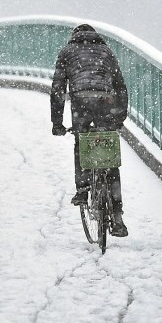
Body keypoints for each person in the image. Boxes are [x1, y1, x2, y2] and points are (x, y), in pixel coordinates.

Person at [50, 23, 129, 237]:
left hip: (81, 103)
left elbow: (57, 89)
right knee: (109, 156)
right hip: (106, 102)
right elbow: (120, 86)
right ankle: (118, 217)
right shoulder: (106, 51)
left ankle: (83, 189)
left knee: (81, 141)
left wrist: (57, 123)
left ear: (74, 36)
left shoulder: (67, 51)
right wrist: (119, 117)